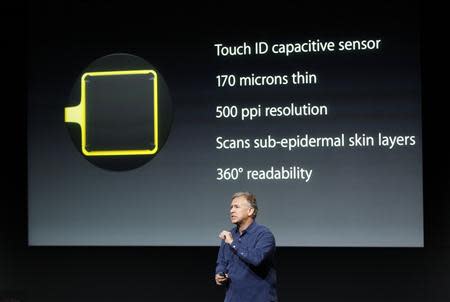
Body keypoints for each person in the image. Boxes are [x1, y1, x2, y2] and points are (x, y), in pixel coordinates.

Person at [215, 192, 278, 302]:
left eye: (236, 207)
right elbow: (222, 262)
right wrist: (219, 273)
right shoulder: (229, 235)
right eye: (231, 207)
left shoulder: (264, 235)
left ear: (250, 211)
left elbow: (257, 259)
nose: (231, 211)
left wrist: (233, 243)